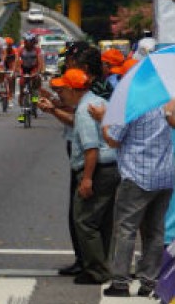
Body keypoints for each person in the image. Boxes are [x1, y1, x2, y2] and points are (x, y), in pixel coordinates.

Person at [92, 100, 175, 297]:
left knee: (125, 229)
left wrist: (103, 119)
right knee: (155, 230)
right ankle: (150, 280)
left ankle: (120, 281)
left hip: (137, 175)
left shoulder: (133, 105)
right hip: (164, 175)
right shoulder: (167, 103)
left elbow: (113, 139)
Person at [54, 68, 117, 285]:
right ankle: (103, 265)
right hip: (112, 168)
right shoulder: (99, 101)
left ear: (73, 90)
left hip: (98, 169)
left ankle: (96, 271)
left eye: (62, 89)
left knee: (84, 220)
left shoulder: (84, 111)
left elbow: (91, 149)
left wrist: (87, 178)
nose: (60, 93)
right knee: (103, 221)